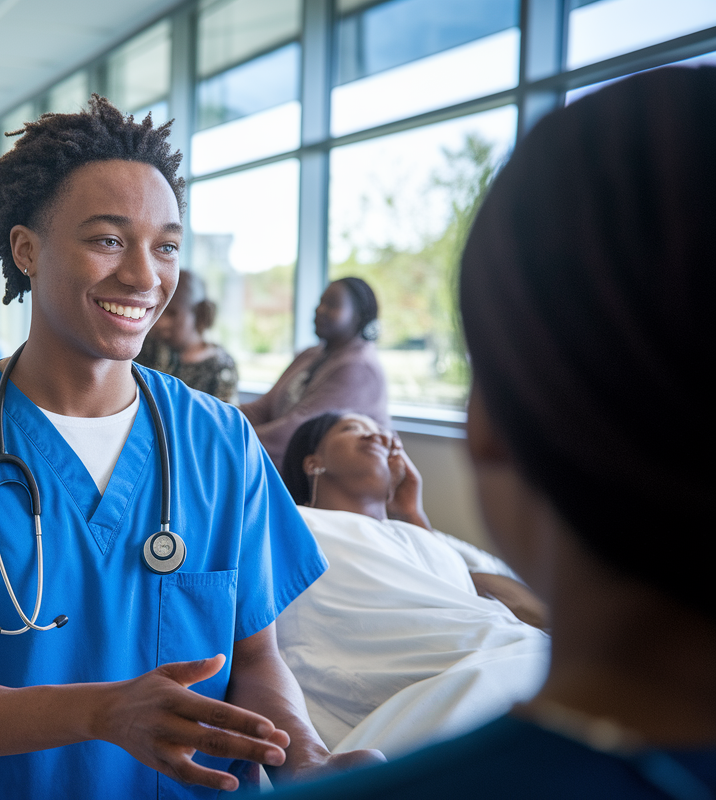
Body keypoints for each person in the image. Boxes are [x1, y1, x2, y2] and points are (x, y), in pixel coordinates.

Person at [0, 96, 382, 799]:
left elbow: (256, 656)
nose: (145, 276)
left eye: (165, 245)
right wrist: (100, 712)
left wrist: (305, 761)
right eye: (109, 239)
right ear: (26, 249)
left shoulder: (219, 444)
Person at [276, 67, 716, 799]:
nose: (385, 440)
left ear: (489, 426)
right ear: (313, 460)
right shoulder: (295, 529)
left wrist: (420, 528)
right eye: (360, 433)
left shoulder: (434, 550)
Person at [275, 412, 549, 754]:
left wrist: (411, 512)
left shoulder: (420, 537)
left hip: (505, 653)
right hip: (418, 681)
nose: (378, 437)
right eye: (353, 428)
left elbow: (458, 597)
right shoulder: (293, 523)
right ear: (313, 462)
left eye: (383, 433)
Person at [240, 278, 388, 469]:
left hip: (331, 486)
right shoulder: (310, 354)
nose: (319, 310)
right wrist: (217, 419)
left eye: (332, 305)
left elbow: (297, 432)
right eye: (320, 302)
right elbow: (262, 408)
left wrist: (231, 439)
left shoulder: (358, 368)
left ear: (358, 316)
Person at [136, 269, 238, 402]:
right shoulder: (148, 347)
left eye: (171, 313)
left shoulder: (221, 367)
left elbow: (222, 418)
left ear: (200, 313)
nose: (160, 323)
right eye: (157, 309)